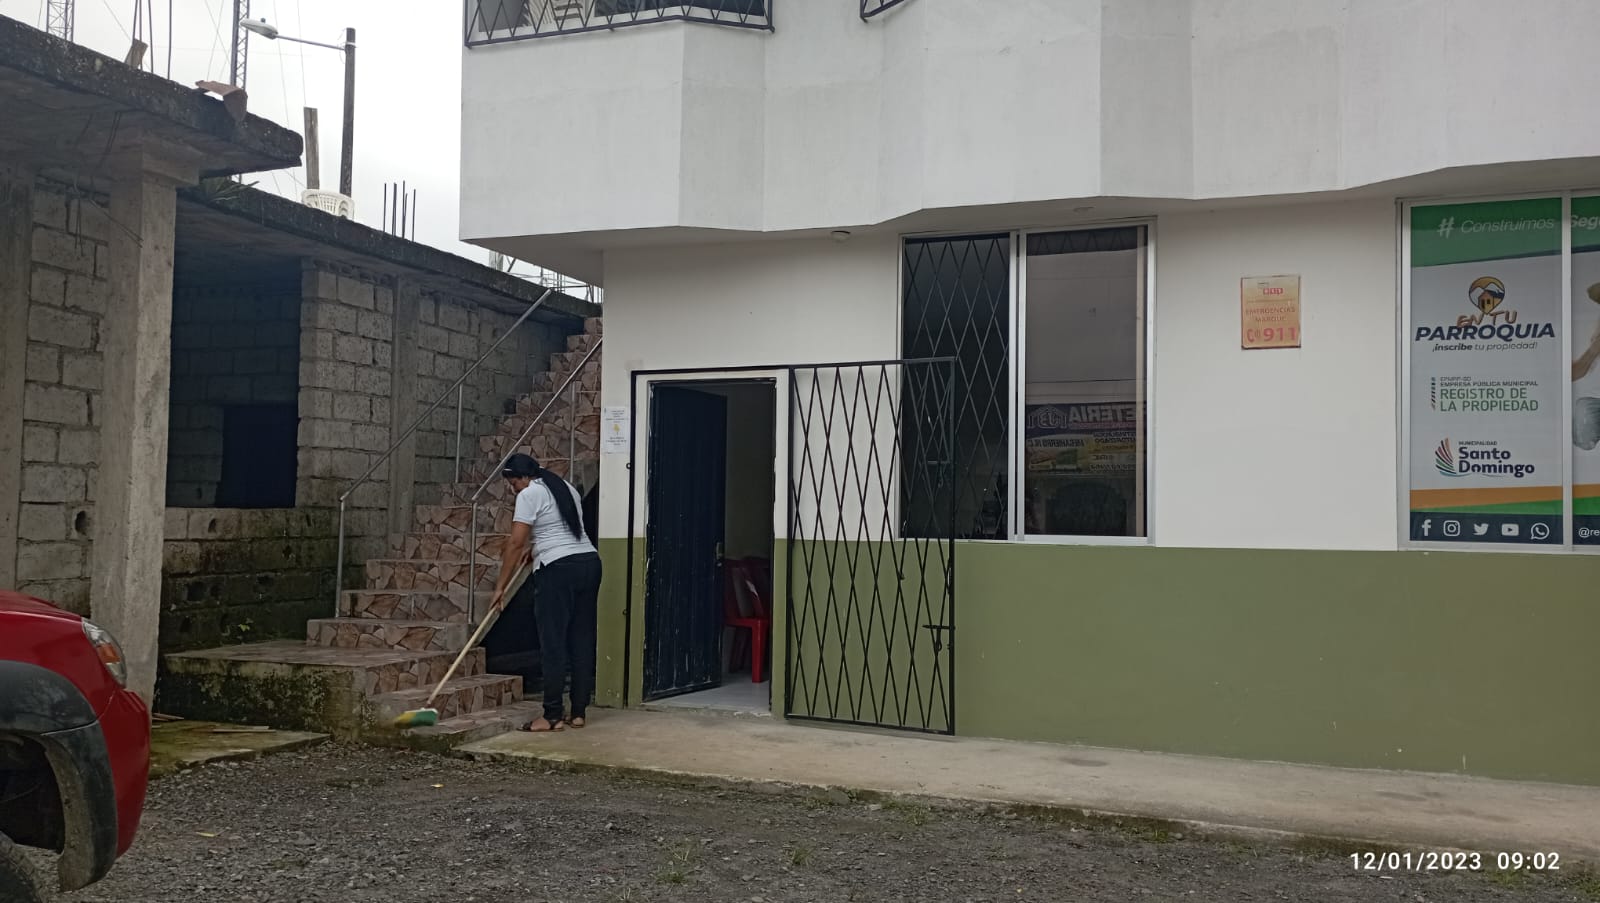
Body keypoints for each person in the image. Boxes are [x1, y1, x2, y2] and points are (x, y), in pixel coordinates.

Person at [490, 453, 602, 733]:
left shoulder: (529, 494)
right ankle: (578, 712)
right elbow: (559, 529)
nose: (514, 489)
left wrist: (500, 586)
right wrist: (537, 548)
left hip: (558, 570)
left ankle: (552, 715)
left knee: (553, 642)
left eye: (513, 483)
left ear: (522, 477)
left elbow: (515, 543)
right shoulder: (565, 487)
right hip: (589, 563)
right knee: (582, 638)